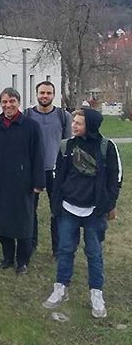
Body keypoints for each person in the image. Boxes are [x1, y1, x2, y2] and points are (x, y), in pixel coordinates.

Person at [43, 108, 122, 318]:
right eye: (74, 122)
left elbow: (115, 178)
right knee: (65, 249)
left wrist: (108, 204)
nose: (74, 125)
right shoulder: (66, 146)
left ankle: (96, 293)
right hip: (68, 208)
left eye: (79, 123)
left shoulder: (107, 147)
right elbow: (57, 173)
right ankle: (60, 287)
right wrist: (57, 203)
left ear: (91, 126)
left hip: (94, 211)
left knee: (94, 253)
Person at [0, 88, 45, 274]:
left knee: (23, 222)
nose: (8, 105)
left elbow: (38, 155)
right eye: (5, 102)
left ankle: (22, 260)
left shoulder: (31, 127)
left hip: (22, 182)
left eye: (12, 101)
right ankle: (7, 257)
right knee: (2, 221)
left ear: (18, 102)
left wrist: (38, 182)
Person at [23, 81, 72, 256]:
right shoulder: (27, 115)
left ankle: (57, 248)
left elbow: (68, 145)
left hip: (56, 171)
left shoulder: (63, 116)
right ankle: (31, 243)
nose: (45, 96)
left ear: (54, 95)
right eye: (42, 92)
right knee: (30, 210)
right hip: (33, 170)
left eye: (48, 93)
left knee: (57, 210)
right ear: (36, 94)